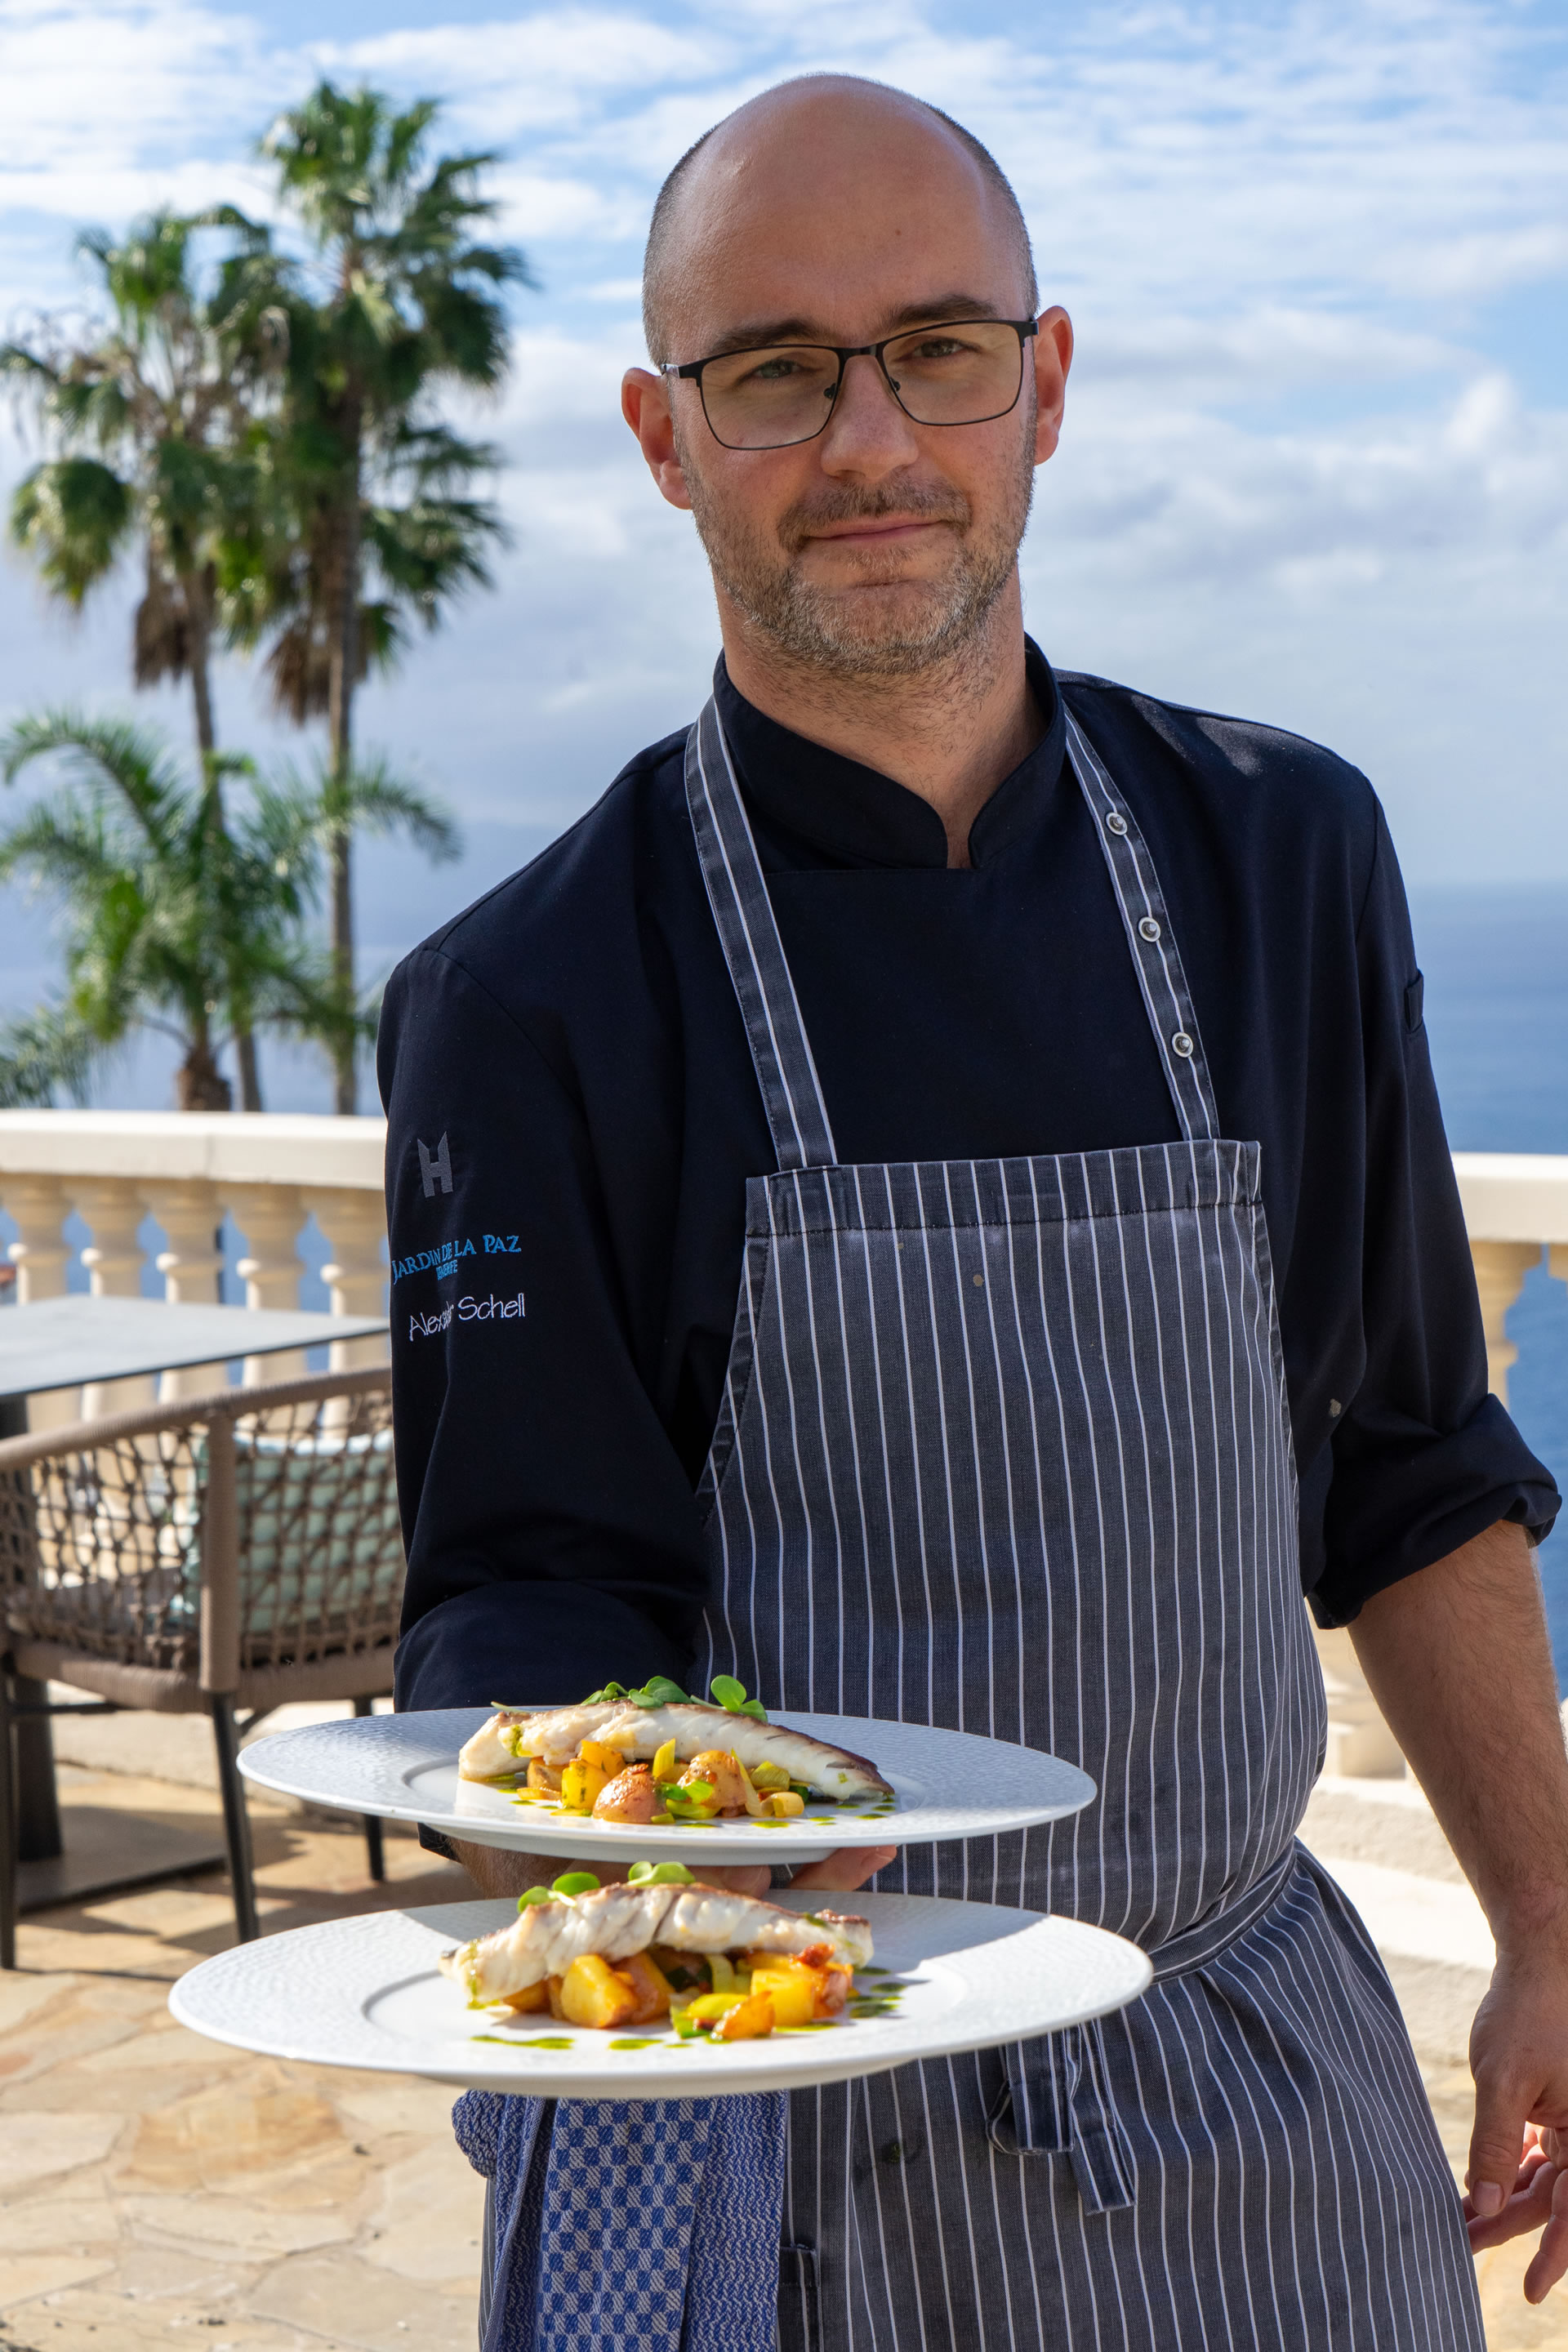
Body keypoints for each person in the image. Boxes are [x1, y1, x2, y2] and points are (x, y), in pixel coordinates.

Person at [380, 73, 1568, 2351]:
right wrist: (653, 1846)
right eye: (774, 373)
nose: (866, 444)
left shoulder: (1281, 859)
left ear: (1042, 386)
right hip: (793, 2124)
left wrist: (1547, 1915)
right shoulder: (524, 1000)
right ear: (663, 434)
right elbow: (513, 1616)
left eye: (935, 349)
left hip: (1255, 2095)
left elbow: (1414, 1463)